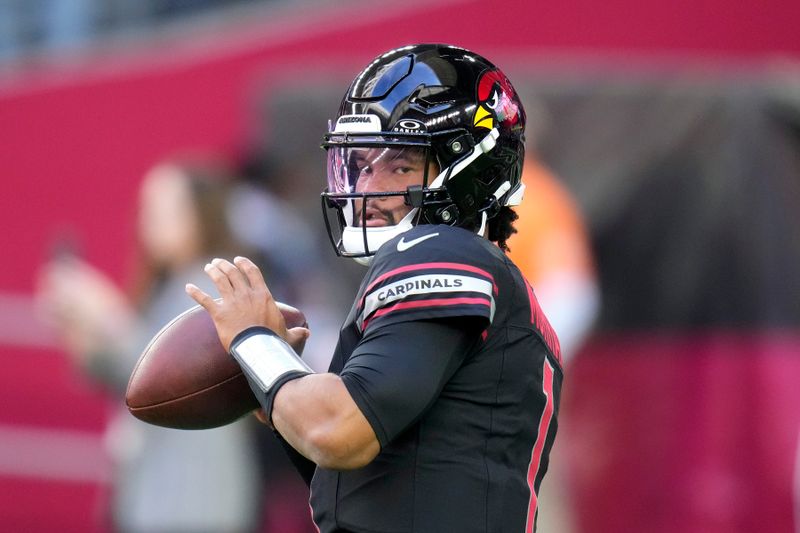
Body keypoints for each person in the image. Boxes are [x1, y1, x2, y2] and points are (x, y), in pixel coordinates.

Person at [187, 44, 563, 532]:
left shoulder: (443, 249)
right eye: (363, 165)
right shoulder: (481, 274)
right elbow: (359, 482)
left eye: (400, 165)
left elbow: (339, 432)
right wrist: (278, 384)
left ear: (473, 168)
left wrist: (253, 340)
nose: (367, 187)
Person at [38, 159, 262, 532]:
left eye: (163, 208)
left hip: (193, 494)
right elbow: (123, 374)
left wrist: (103, 310)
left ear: (200, 213)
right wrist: (80, 327)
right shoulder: (169, 286)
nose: (147, 219)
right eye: (147, 207)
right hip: (162, 490)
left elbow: (160, 374)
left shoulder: (209, 287)